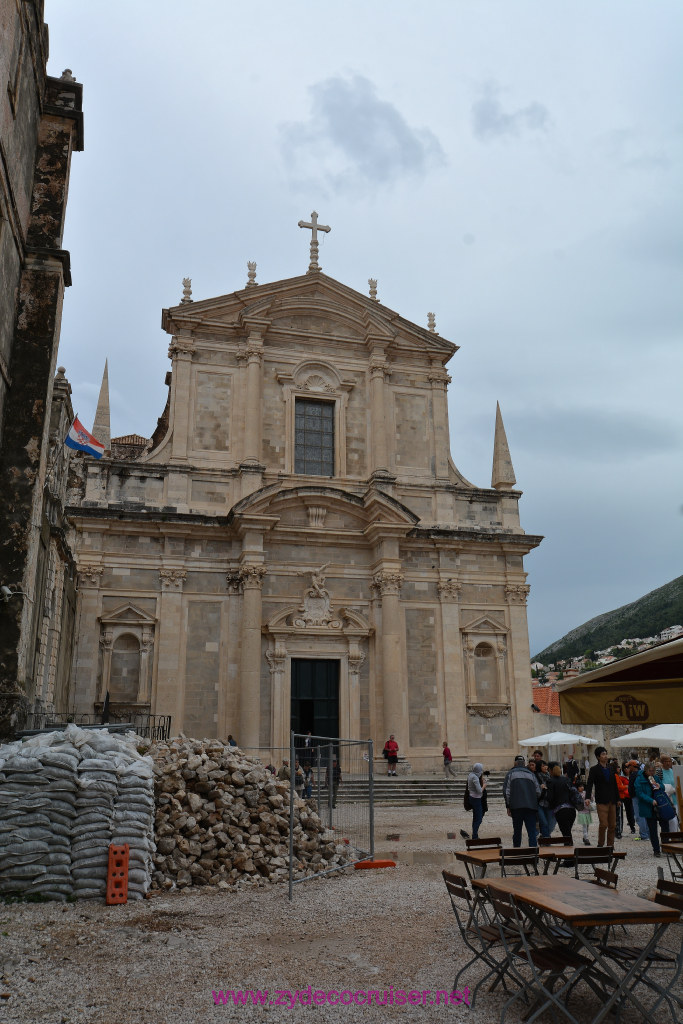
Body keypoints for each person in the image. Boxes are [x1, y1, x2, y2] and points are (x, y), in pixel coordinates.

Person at [504, 754, 541, 848]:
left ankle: (517, 853)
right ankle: (534, 856)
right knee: (531, 832)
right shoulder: (531, 774)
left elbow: (507, 792)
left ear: (515, 763)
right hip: (531, 807)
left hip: (516, 807)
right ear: (524, 763)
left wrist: (508, 806)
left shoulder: (510, 774)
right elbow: (538, 792)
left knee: (517, 831)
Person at [585, 746, 619, 847]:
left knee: (613, 825)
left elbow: (615, 784)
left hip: (612, 799)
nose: (605, 756)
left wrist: (618, 798)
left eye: (606, 754)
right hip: (601, 800)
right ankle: (600, 844)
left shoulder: (611, 768)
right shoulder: (594, 769)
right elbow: (590, 783)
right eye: (603, 754)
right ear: (598, 757)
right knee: (604, 824)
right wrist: (587, 797)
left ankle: (610, 846)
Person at [633, 761, 665, 858]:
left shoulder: (655, 777)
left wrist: (660, 786)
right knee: (652, 829)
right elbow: (639, 793)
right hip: (648, 806)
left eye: (653, 771)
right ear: (645, 770)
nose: (652, 773)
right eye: (650, 771)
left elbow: (662, 787)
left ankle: (666, 846)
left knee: (664, 825)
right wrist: (650, 800)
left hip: (659, 805)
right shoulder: (639, 779)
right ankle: (656, 850)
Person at [548, 762, 577, 844]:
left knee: (566, 835)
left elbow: (550, 798)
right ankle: (569, 853)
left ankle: (570, 854)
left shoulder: (551, 781)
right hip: (571, 810)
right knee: (567, 833)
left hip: (561, 810)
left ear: (550, 770)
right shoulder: (566, 779)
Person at [626, 759, 650, 841]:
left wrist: (631, 795)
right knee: (645, 815)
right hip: (644, 796)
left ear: (633, 766)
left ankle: (644, 835)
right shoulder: (642, 773)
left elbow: (631, 787)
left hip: (636, 797)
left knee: (639, 816)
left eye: (629, 766)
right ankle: (647, 833)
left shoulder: (633, 775)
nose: (628, 768)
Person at [467, 763, 486, 840]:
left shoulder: (471, 775)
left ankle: (475, 834)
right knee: (478, 818)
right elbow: (479, 791)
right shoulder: (475, 777)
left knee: (475, 817)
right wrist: (484, 785)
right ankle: (475, 836)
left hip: (472, 797)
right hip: (476, 799)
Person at [536, 761, 556, 838]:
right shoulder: (536, 777)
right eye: (543, 766)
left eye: (546, 765)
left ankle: (545, 836)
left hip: (549, 803)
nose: (545, 767)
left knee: (551, 824)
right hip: (540, 803)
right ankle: (546, 840)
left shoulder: (550, 776)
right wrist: (540, 788)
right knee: (543, 822)